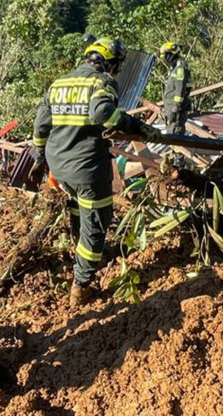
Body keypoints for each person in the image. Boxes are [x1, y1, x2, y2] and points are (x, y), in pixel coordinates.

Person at [30, 37, 158, 306]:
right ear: (109, 63)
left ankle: (79, 247)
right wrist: (136, 126)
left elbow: (41, 126)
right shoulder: (102, 82)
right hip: (86, 167)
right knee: (96, 222)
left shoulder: (59, 84)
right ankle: (81, 284)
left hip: (59, 167)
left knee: (78, 205)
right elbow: (103, 113)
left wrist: (39, 158)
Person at [159, 41, 192, 136]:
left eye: (165, 56)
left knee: (175, 133)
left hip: (176, 110)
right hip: (171, 108)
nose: (165, 60)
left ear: (169, 55)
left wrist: (175, 107)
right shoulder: (174, 69)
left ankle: (178, 151)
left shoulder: (180, 68)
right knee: (171, 132)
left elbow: (180, 89)